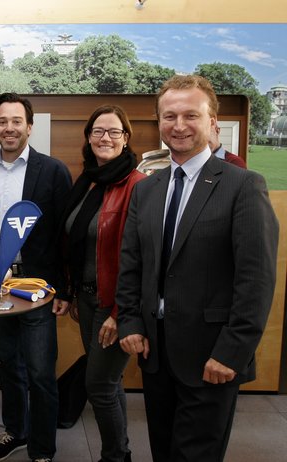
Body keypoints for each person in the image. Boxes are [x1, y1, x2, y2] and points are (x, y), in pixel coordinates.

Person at [117, 75, 279, 462]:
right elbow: (132, 264)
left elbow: (255, 280)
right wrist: (130, 322)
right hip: (155, 354)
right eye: (169, 116)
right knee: (163, 449)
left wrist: (232, 352)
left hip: (212, 357)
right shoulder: (146, 189)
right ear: (159, 124)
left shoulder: (243, 186)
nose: (179, 125)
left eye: (191, 115)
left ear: (213, 124)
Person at [0, 93, 72, 462]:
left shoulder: (53, 171)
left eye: (17, 121)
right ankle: (15, 431)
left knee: (41, 372)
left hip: (38, 288)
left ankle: (43, 449)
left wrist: (66, 288)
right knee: (8, 366)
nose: (9, 128)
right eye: (2, 121)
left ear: (30, 126)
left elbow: (65, 234)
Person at [60, 105, 145, 462]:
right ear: (88, 137)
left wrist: (119, 313)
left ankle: (115, 456)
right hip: (89, 299)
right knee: (108, 383)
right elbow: (76, 241)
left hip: (115, 307)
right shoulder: (87, 181)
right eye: (98, 131)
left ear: (126, 139)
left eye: (113, 132)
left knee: (98, 384)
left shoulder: (138, 185)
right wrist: (75, 292)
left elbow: (140, 258)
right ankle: (119, 450)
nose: (105, 138)